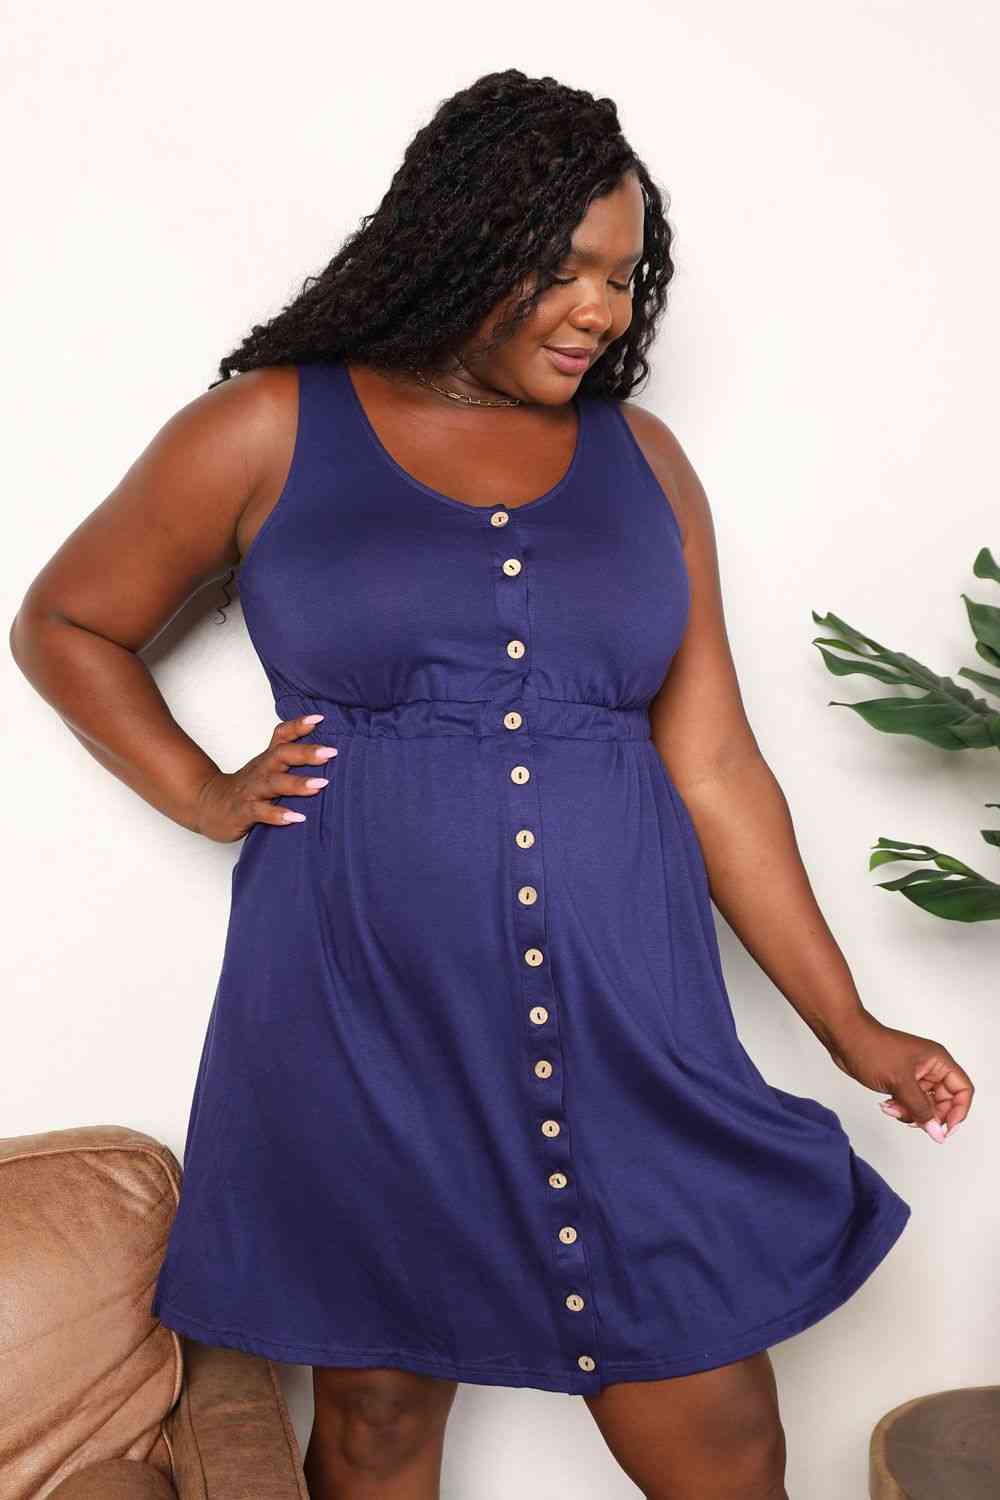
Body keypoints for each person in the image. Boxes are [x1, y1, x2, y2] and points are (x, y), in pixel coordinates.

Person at [10, 67, 973, 1500]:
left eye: (624, 278)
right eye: (564, 268)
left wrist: (851, 1027)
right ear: (460, 242)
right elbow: (67, 623)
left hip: (629, 1011)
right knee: (379, 1409)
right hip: (358, 1009)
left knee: (719, 1422)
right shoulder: (269, 425)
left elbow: (714, 764)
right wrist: (203, 791)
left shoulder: (645, 462)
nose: (601, 310)